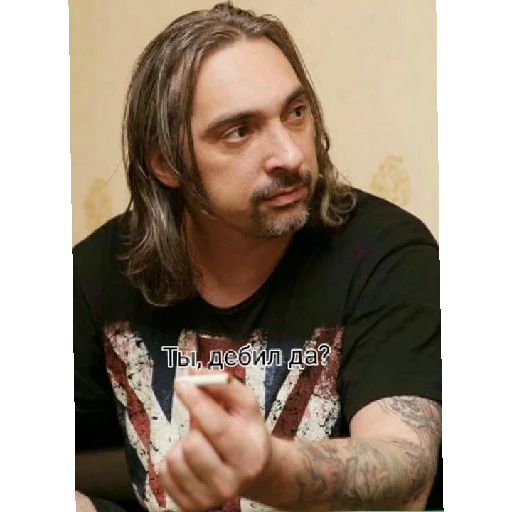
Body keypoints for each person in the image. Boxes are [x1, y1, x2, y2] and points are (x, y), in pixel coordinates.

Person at [72, 2, 442, 511]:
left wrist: (269, 468)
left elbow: (405, 465)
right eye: (239, 132)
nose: (290, 155)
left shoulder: (386, 253)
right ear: (166, 163)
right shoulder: (101, 272)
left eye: (295, 112)